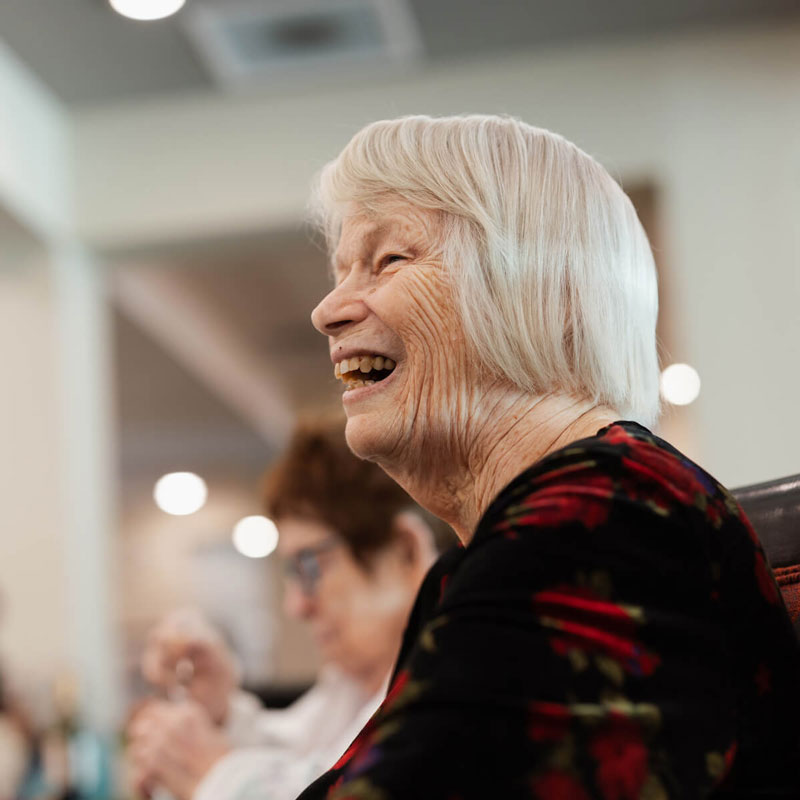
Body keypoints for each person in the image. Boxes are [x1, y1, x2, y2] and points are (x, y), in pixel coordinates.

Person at [296, 115, 800, 798]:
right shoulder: (485, 561)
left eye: (389, 260)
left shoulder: (608, 510)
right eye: (340, 272)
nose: (327, 310)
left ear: (551, 290)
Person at [127, 418, 449, 800]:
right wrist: (219, 710)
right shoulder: (352, 687)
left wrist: (215, 776)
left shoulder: (457, 688)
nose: (296, 605)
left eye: (310, 565)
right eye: (291, 572)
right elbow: (301, 764)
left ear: (405, 552)